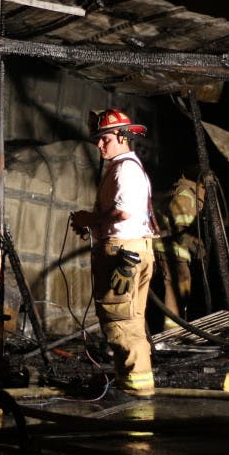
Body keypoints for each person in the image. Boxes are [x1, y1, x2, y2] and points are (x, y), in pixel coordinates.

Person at [69, 109, 157, 397]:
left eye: (105, 139)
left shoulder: (124, 169)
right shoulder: (126, 166)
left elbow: (123, 212)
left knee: (121, 324)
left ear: (122, 136)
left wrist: (88, 220)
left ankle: (137, 395)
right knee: (129, 321)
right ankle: (131, 386)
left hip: (123, 254)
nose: (99, 145)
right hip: (130, 250)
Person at [153, 165, 205, 328]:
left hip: (175, 252)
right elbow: (180, 229)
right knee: (175, 292)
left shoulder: (190, 194)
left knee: (181, 292)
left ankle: (176, 328)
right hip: (173, 252)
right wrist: (195, 245)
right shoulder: (186, 195)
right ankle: (172, 333)